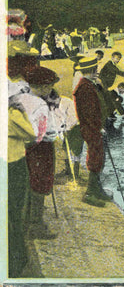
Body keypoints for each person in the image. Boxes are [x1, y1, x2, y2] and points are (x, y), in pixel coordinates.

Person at [22, 66, 60, 239]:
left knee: (35, 179)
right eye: (49, 85)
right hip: (39, 146)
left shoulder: (25, 98)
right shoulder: (36, 103)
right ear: (43, 86)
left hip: (33, 146)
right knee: (40, 180)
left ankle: (30, 219)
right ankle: (35, 224)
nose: (50, 89)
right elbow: (43, 130)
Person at [73, 57, 112, 207]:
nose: (97, 73)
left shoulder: (88, 85)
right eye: (95, 70)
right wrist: (99, 128)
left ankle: (97, 189)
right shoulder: (86, 88)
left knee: (98, 157)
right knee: (95, 158)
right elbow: (90, 114)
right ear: (91, 71)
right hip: (92, 129)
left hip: (92, 128)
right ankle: (90, 193)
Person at [7, 92, 36, 277]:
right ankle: (16, 263)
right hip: (12, 165)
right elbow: (31, 134)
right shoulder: (12, 114)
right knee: (13, 216)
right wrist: (22, 112)